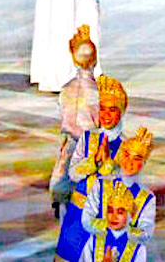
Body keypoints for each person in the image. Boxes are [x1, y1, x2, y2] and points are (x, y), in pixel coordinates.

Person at [55, 74, 127, 262]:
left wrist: (109, 164)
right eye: (103, 109)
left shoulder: (127, 146)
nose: (106, 115)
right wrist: (93, 162)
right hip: (80, 211)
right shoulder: (88, 138)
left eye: (112, 110)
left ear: (121, 112)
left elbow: (129, 182)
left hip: (109, 216)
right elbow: (73, 173)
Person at [50, 25, 99, 215]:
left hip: (70, 144)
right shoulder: (97, 91)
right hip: (88, 147)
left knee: (64, 179)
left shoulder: (66, 88)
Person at [81, 127, 156, 244]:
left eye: (136, 159)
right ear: (121, 156)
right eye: (126, 155)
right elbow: (86, 219)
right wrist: (112, 227)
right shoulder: (101, 184)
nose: (129, 163)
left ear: (143, 163)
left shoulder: (147, 197)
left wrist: (122, 230)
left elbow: (146, 232)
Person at [78, 180, 147, 262]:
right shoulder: (94, 241)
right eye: (110, 211)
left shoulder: (137, 246)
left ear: (130, 215)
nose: (114, 217)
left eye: (120, 212)